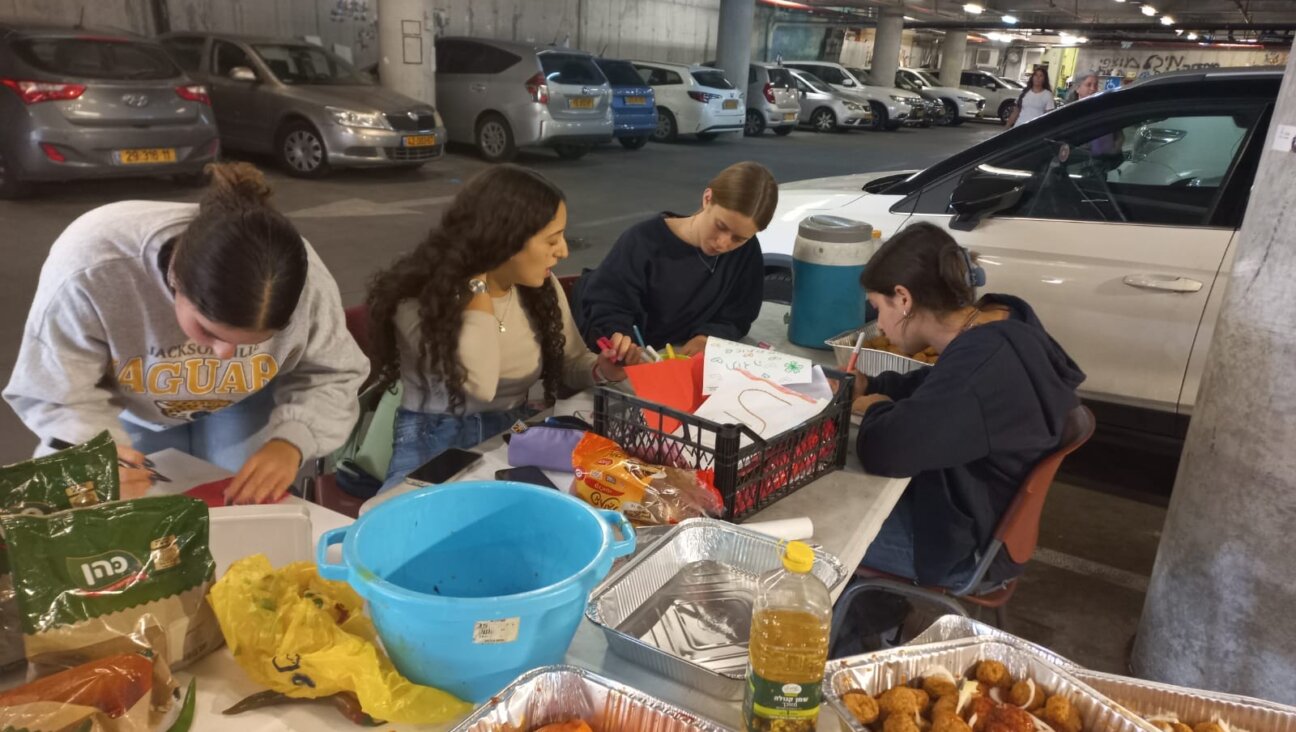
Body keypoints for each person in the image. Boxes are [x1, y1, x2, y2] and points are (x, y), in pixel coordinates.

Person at [4, 163, 369, 504]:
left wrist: (292, 441)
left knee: (240, 506)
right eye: (208, 332)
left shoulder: (307, 282)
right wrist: (90, 452)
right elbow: (58, 390)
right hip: (132, 403)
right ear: (174, 280)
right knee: (128, 507)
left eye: (250, 344)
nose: (223, 355)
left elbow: (333, 371)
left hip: (246, 402)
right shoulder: (91, 266)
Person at [367, 165, 640, 491]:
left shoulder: (539, 288)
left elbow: (570, 361)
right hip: (437, 436)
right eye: (552, 240)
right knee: (419, 526)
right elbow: (478, 384)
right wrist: (479, 287)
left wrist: (600, 369)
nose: (564, 250)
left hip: (513, 429)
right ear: (505, 240)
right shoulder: (421, 298)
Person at [849, 221, 1084, 589]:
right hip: (979, 515)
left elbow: (887, 451)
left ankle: (858, 624)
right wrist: (873, 387)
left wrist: (876, 409)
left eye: (878, 308)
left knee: (813, 530)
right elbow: (934, 392)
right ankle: (873, 611)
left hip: (962, 546)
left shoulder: (982, 366)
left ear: (904, 298)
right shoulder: (998, 323)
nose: (878, 325)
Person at [574, 161, 778, 357]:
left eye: (739, 238)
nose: (723, 243)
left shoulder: (746, 252)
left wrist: (707, 336)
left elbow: (738, 315)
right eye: (721, 226)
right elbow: (608, 304)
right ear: (707, 198)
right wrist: (619, 336)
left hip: (683, 361)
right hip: (633, 359)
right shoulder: (643, 242)